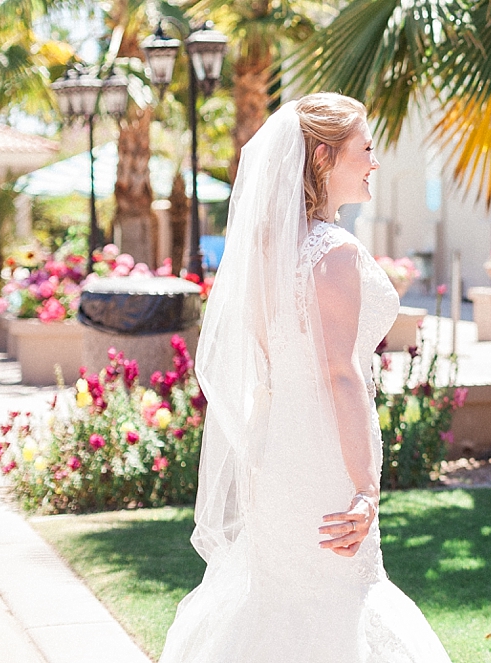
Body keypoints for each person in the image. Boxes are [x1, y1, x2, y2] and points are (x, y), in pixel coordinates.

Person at [159, 93, 452, 662]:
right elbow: (340, 376)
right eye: (364, 149)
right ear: (322, 156)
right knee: (340, 593)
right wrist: (366, 490)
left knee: (284, 595)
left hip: (276, 452)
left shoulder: (266, 251)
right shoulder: (333, 253)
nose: (373, 162)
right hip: (322, 456)